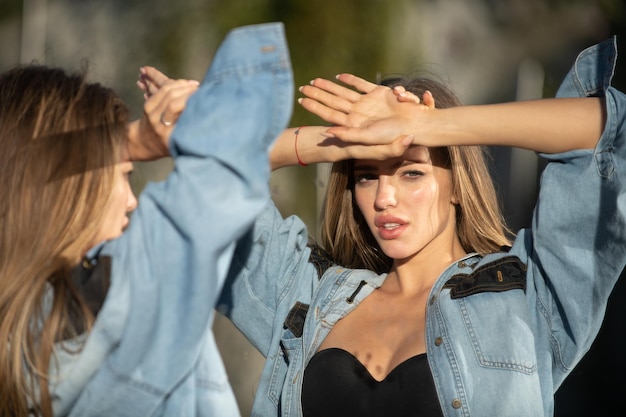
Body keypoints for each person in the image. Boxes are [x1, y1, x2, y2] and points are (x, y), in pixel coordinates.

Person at [214, 36, 626, 417]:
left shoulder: (531, 296)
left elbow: (610, 133)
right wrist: (341, 137)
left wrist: (430, 128)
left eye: (411, 173)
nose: (383, 198)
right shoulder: (307, 297)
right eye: (366, 176)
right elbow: (212, 172)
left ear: (458, 187)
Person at [0, 22, 293, 417]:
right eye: (124, 173)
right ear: (64, 189)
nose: (131, 202)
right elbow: (228, 154)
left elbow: (20, 168)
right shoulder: (115, 301)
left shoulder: (26, 325)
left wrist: (124, 144)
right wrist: (153, 135)